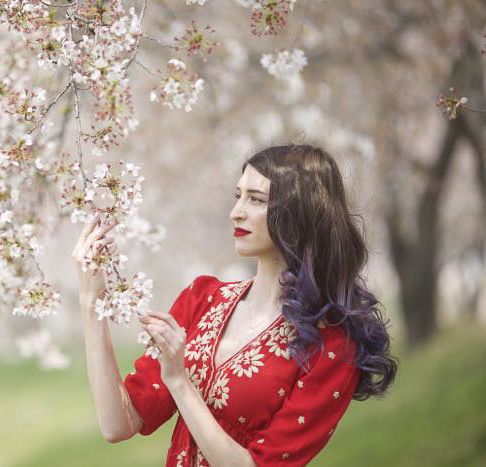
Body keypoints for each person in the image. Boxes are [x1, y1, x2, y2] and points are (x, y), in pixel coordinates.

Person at [73, 144, 397, 467]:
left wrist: (180, 382)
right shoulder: (203, 299)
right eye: (238, 196)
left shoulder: (333, 345)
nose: (236, 211)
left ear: (301, 212)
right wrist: (92, 301)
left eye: (256, 199)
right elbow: (119, 424)